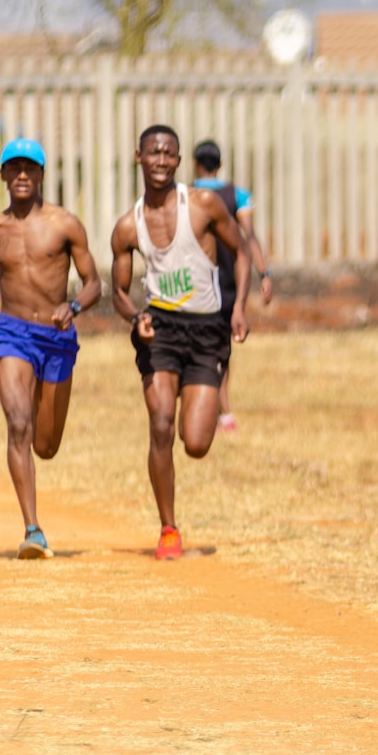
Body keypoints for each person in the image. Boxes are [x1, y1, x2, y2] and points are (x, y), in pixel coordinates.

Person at [108, 124, 251, 560]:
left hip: (207, 330)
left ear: (179, 159)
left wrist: (239, 307)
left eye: (169, 154)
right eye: (154, 153)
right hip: (161, 330)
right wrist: (136, 318)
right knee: (160, 423)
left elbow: (241, 252)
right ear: (139, 157)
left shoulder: (203, 205)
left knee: (196, 442)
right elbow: (117, 291)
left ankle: (175, 509)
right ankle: (168, 529)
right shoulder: (127, 227)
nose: (161, 161)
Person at [0, 139, 101, 558]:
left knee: (46, 445)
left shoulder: (65, 224)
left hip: (56, 339)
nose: (21, 175)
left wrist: (72, 306)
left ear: (40, 175)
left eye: (29, 168)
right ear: (2, 175)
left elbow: (94, 284)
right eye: (13, 167)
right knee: (18, 424)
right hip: (12, 335)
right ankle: (32, 529)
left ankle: (40, 431)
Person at [191, 139, 272, 434]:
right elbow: (249, 236)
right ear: (220, 164)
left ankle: (211, 407)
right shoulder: (237, 194)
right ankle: (222, 410)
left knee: (201, 345)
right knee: (222, 347)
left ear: (195, 163)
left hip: (195, 278)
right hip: (228, 278)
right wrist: (264, 272)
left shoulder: (185, 193)